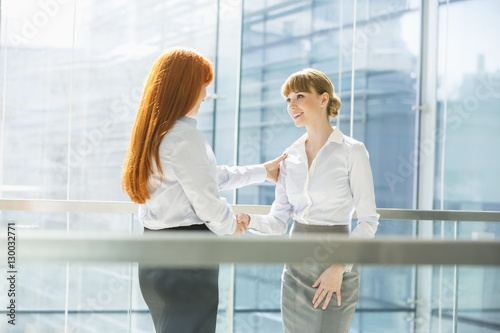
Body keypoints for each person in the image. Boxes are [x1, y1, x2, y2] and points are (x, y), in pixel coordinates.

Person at [121, 47, 286, 333]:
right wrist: (229, 227)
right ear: (184, 88)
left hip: (154, 258)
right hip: (188, 259)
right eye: (201, 87)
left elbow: (204, 179)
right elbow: (207, 200)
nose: (204, 96)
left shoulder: (156, 133)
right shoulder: (185, 136)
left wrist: (262, 172)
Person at [236, 68, 379, 333]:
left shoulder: (352, 152)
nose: (292, 105)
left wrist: (339, 268)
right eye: (288, 99)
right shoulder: (290, 156)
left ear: (324, 99)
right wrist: (249, 220)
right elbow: (279, 221)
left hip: (339, 261)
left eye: (299, 96)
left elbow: (369, 221)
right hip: (296, 266)